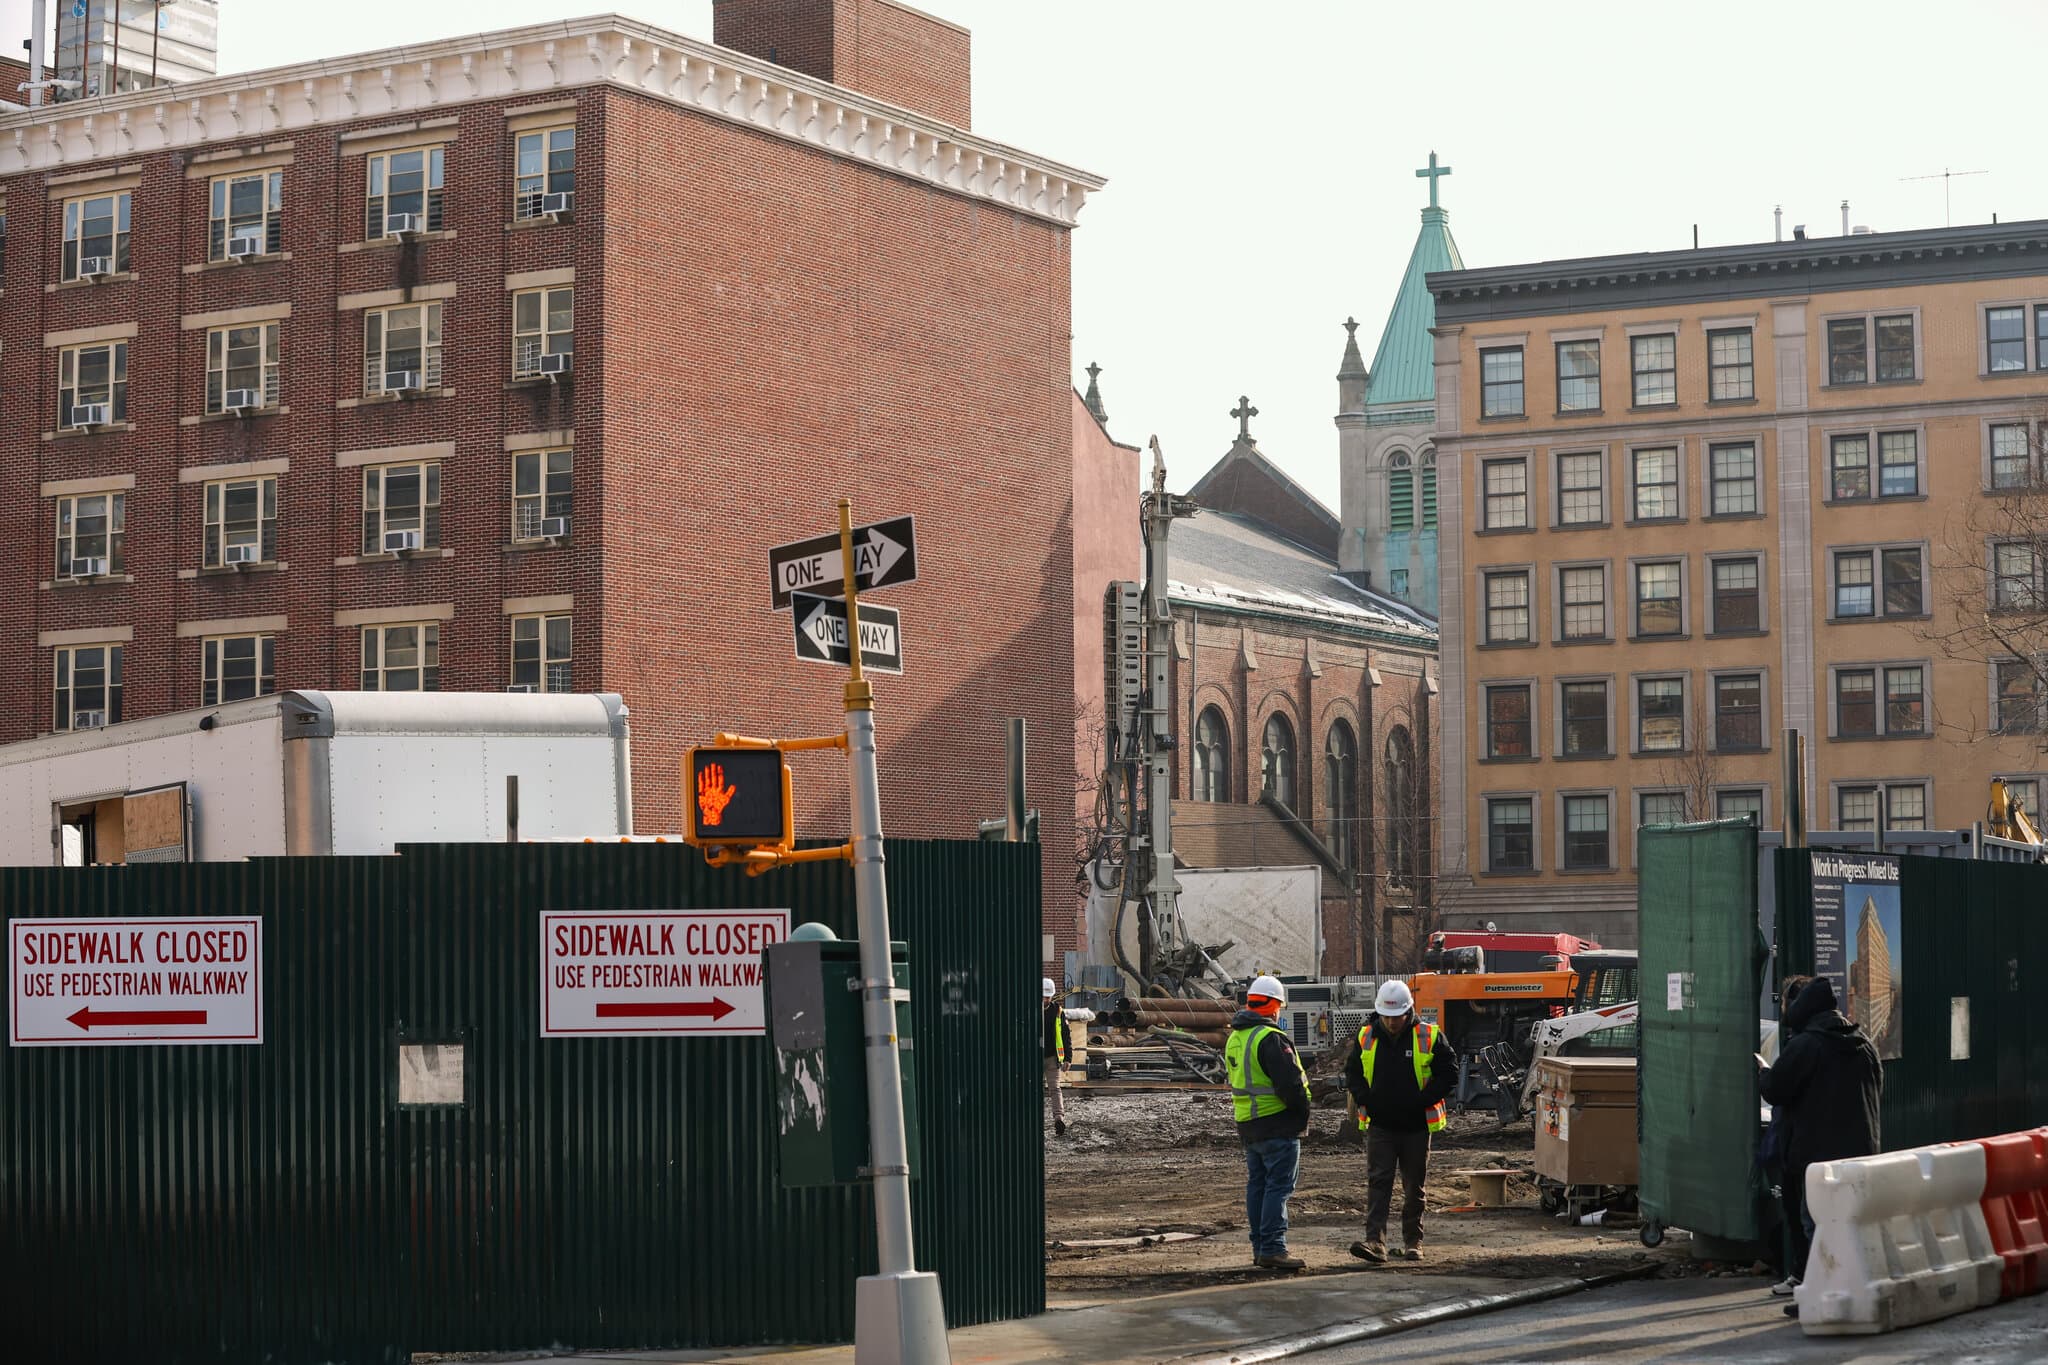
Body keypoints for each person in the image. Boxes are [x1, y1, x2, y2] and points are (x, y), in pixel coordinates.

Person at [1760, 972, 1882, 1316]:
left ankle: (1820, 1298)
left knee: (1817, 1226)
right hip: (1861, 1156)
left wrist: (1763, 1074)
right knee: (1850, 1228)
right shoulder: (1862, 1042)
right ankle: (1846, 1292)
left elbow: (1776, 1089)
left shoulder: (1806, 1045)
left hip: (1816, 1160)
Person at [1345, 978, 1456, 1263]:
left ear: (1408, 1012)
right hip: (1380, 1125)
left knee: (1414, 1187)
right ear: (1379, 1013)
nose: (1392, 1022)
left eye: (1397, 1017)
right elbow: (1353, 1072)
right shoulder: (1366, 1036)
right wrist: (1364, 1098)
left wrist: (1422, 1100)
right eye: (1387, 1017)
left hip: (1416, 1126)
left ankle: (1413, 1242)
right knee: (1378, 1183)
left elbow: (1449, 1072)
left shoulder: (1429, 1035)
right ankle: (1375, 1242)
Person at [1225, 974, 1312, 1272]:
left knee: (1258, 1187)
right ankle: (1274, 1249)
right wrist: (1302, 1114)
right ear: (1275, 1006)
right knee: (1278, 1188)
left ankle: (1261, 1247)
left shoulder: (1237, 1037)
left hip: (1249, 1124)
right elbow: (1290, 1085)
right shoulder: (1270, 1038)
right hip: (1278, 1124)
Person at [1043, 977, 1072, 1137]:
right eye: (1043, 996)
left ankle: (1059, 1118)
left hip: (1052, 1058)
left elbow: (1066, 1035)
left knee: (1055, 1088)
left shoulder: (1058, 1011)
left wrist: (1068, 1057)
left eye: (1048, 996)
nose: (1046, 999)